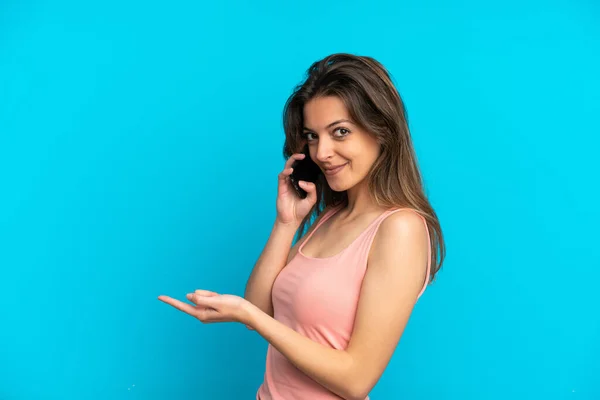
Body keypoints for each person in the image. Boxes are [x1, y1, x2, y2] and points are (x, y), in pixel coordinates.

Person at [158, 53, 445, 400]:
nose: (322, 152)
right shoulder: (329, 217)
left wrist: (248, 315)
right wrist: (287, 222)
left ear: (381, 130)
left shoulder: (401, 229)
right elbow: (261, 307)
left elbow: (356, 381)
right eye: (312, 136)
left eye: (340, 132)